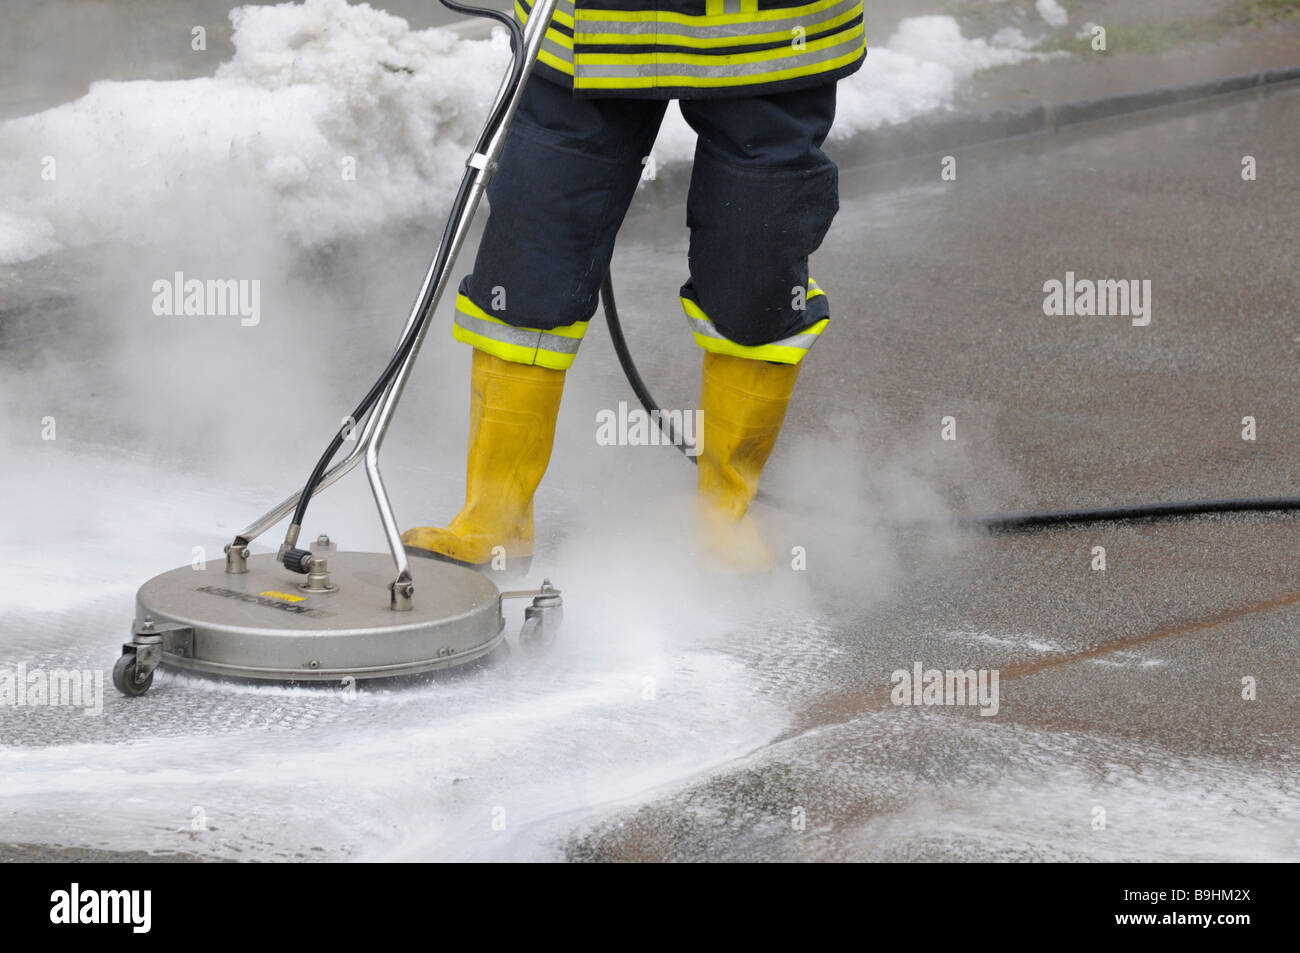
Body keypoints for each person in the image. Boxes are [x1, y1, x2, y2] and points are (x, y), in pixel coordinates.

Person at [401, 0, 866, 572]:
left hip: (768, 38)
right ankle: (494, 516)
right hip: (590, 27)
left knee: (756, 264)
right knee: (530, 255)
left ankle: (722, 515)